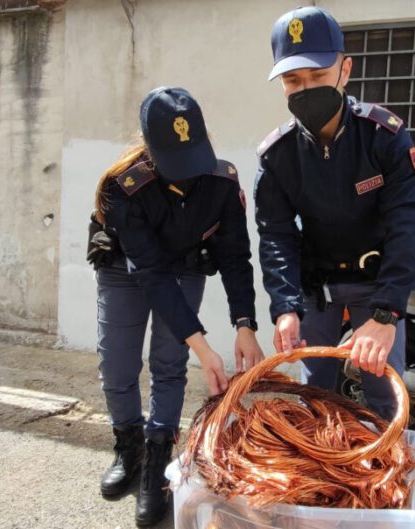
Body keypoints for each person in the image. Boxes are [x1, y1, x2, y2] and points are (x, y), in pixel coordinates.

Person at [87, 86, 263, 527]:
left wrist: (245, 323)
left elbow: (235, 256)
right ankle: (129, 446)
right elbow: (150, 273)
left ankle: (158, 462)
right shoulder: (123, 186)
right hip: (127, 270)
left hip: (185, 268)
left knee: (169, 362)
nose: (187, 174)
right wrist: (205, 348)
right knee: (117, 365)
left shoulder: (221, 182)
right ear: (149, 150)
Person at [254, 6, 415, 420]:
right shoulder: (278, 156)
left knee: (384, 390)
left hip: (378, 281)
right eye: (293, 80)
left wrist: (386, 314)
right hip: (319, 286)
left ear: (344, 70)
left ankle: (385, 471)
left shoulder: (383, 137)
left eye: (317, 76)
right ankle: (323, 471)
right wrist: (285, 306)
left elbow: (405, 226)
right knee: (316, 393)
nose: (306, 88)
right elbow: (276, 235)